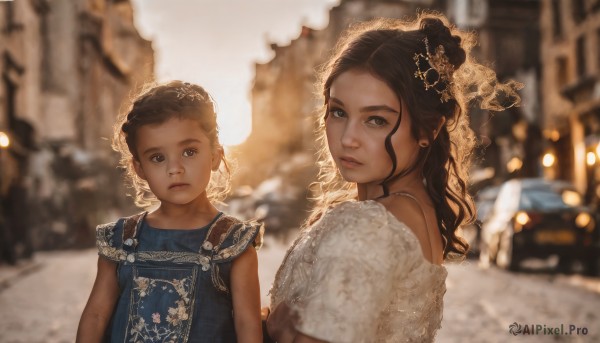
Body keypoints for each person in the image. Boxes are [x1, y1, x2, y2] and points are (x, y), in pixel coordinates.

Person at [266, 13, 521, 342]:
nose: (347, 138)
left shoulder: (369, 225)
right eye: (339, 112)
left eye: (375, 120)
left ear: (428, 129)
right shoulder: (418, 213)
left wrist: (266, 329)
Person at [77, 81, 263, 343]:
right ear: (139, 168)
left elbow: (247, 324)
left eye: (189, 152)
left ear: (215, 156)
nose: (175, 168)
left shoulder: (232, 243)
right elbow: (96, 316)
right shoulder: (121, 241)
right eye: (157, 158)